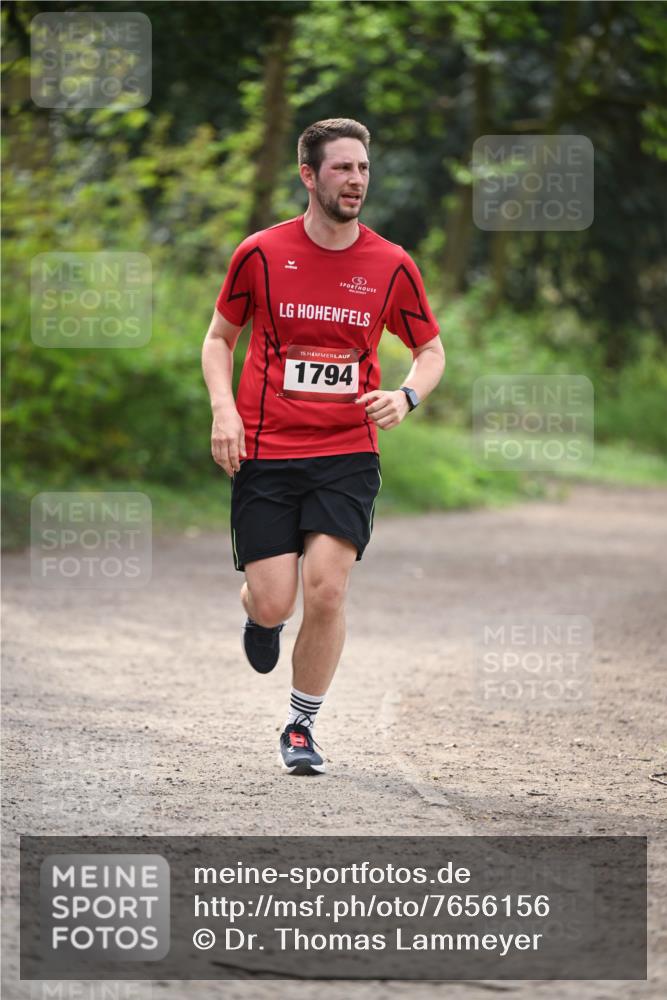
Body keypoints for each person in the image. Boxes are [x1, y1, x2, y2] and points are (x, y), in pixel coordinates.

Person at [202, 118, 445, 775]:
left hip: (346, 450)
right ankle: (259, 613)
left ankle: (301, 727)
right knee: (277, 600)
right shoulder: (259, 253)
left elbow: (428, 351)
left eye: (363, 168)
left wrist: (405, 396)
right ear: (309, 176)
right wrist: (224, 412)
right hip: (266, 449)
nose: (356, 180)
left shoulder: (390, 264)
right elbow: (218, 339)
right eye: (342, 168)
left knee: (328, 590)